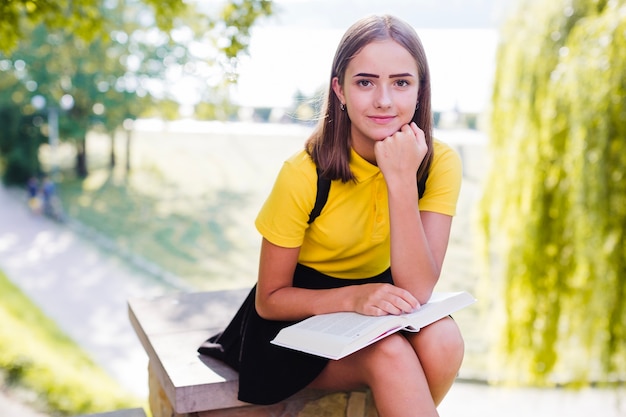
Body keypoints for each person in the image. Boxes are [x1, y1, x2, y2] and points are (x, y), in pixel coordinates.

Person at [201, 14, 464, 417]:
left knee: (445, 340)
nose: (384, 100)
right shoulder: (303, 173)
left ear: (420, 89)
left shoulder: (439, 162)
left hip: (377, 304)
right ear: (339, 89)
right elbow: (270, 301)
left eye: (401, 82)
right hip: (295, 318)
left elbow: (417, 289)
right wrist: (353, 297)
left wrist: (399, 181)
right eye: (365, 82)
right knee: (389, 355)